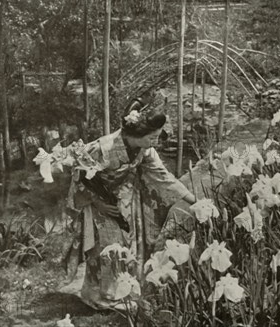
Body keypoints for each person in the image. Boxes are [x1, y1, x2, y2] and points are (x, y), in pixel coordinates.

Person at [59, 99, 197, 309]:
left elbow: (163, 176)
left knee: (126, 245)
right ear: (136, 135)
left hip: (125, 199)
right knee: (104, 247)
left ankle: (122, 290)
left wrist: (193, 201)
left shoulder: (146, 150)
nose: (156, 142)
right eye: (152, 137)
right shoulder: (105, 147)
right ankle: (98, 295)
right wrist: (99, 203)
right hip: (99, 203)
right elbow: (80, 175)